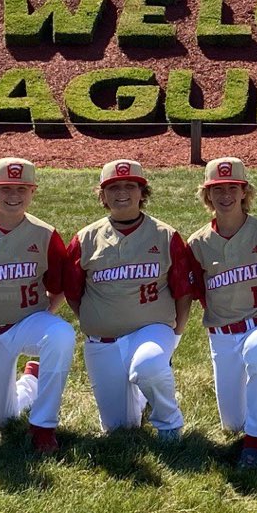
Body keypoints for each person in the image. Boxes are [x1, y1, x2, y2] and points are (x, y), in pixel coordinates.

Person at [59, 160, 197, 439]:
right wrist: (97, 317)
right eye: (113, 187)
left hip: (151, 330)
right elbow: (73, 293)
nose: (122, 192)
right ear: (103, 195)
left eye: (130, 186)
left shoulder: (165, 235)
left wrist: (176, 333)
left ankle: (169, 425)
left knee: (148, 366)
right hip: (102, 343)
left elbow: (183, 291)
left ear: (142, 192)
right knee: (119, 429)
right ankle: (143, 398)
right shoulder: (86, 238)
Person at [0, 157, 76, 454]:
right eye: (5, 188)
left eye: (22, 188)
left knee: (61, 335)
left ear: (33, 192)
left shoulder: (44, 233)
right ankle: (30, 381)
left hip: (27, 323)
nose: (13, 196)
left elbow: (61, 288)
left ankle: (44, 426)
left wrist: (45, 316)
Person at [184, 157, 257, 469]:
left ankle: (256, 443)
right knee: (232, 424)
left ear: (245, 191)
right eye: (217, 189)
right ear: (207, 195)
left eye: (233, 187)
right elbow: (198, 293)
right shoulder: (197, 243)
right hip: (222, 335)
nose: (225, 194)